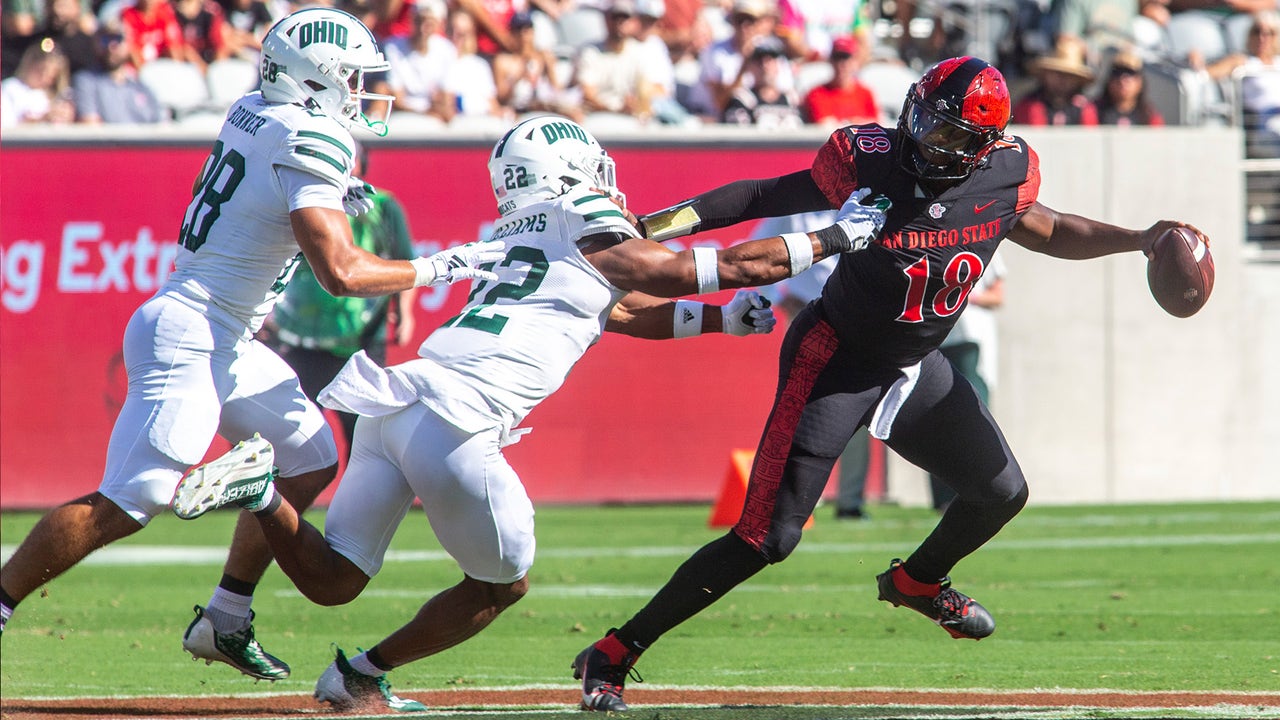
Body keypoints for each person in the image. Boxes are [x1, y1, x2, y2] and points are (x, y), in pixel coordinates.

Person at [168, 114, 887, 711]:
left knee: (336, 581)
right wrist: (832, 238)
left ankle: (265, 498)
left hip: (400, 401)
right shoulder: (586, 210)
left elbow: (621, 309)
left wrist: (721, 322)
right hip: (460, 418)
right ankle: (362, 672)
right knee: (500, 584)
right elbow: (669, 272)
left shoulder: (524, 227)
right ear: (576, 165)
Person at [570, 55, 1209, 712]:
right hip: (836, 358)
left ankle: (917, 581)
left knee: (1000, 493)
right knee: (767, 537)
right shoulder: (869, 157)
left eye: (957, 137)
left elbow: (1046, 229)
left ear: (986, 145)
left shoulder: (1007, 172)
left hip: (915, 363)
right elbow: (761, 196)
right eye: (932, 125)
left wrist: (1138, 238)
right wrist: (648, 231)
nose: (936, 144)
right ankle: (615, 651)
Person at [0, 6, 501, 685]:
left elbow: (272, 180)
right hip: (192, 329)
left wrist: (325, 193)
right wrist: (446, 265)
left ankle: (225, 617)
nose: (358, 90)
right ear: (313, 79)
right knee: (130, 500)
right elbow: (344, 273)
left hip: (224, 334)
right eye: (348, 77)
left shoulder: (254, 108)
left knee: (310, 459)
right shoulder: (314, 136)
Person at [268, 141, 417, 454]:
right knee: (295, 437)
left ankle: (361, 501)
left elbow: (402, 263)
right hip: (300, 336)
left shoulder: (382, 206)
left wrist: (405, 312)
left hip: (360, 337)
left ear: (361, 164)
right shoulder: (299, 199)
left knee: (365, 436)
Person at [927, 251, 1005, 512]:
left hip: (970, 338)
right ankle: (944, 497)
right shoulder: (928, 240)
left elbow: (998, 294)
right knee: (934, 420)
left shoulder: (985, 236)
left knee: (972, 415)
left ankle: (977, 492)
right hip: (935, 340)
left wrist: (965, 297)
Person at [72, 31, 165, 124]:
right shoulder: (86, 81)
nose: (111, 46)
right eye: (105, 40)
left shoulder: (142, 86)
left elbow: (160, 126)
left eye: (118, 39)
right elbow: (92, 128)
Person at [1011, 39, 1099, 126]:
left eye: (1070, 75)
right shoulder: (1028, 105)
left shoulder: (1085, 108)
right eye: (1058, 73)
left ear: (1078, 80)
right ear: (1045, 74)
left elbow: (1091, 134)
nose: (1063, 79)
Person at [721, 36, 803, 128]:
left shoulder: (792, 100)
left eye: (771, 59)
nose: (765, 65)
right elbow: (738, 137)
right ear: (749, 66)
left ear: (779, 64)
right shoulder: (742, 100)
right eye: (759, 60)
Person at [801, 35, 879, 126]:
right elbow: (825, 125)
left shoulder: (866, 93)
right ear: (831, 61)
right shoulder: (817, 93)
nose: (841, 64)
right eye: (837, 58)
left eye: (846, 58)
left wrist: (851, 122)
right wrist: (854, 122)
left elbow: (876, 123)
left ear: (855, 61)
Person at [1094, 48, 1165, 126]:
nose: (1122, 80)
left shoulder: (1150, 116)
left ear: (1140, 82)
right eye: (1117, 73)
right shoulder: (1094, 111)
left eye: (1130, 74)